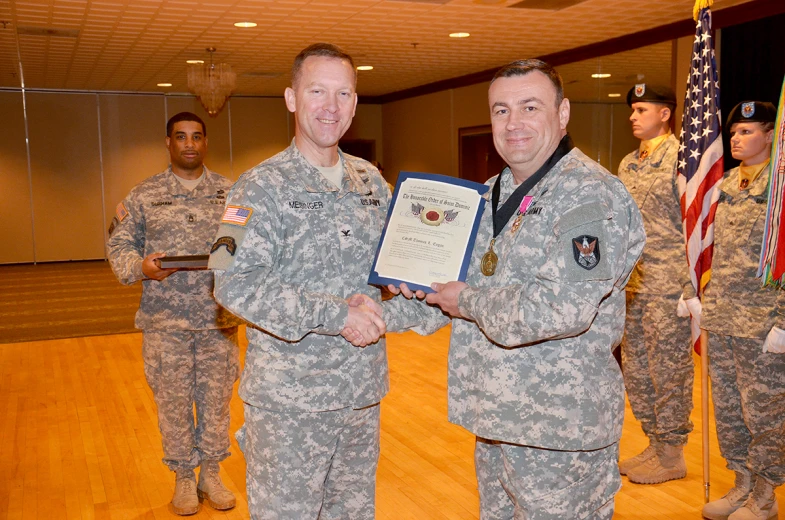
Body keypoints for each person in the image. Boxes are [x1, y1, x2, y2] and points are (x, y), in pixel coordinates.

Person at [385, 59, 646, 519]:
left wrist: (464, 300)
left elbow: (561, 308)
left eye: (530, 106)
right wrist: (378, 312)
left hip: (560, 431)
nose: (514, 123)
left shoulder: (590, 196)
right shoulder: (489, 193)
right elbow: (451, 284)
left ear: (562, 114)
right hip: (496, 417)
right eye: (501, 110)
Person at [208, 43, 393, 520]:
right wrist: (337, 314)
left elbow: (400, 268)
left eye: (344, 94)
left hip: (360, 393)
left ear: (355, 103)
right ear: (292, 98)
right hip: (290, 404)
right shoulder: (254, 187)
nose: (331, 107)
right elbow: (230, 282)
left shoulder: (372, 182)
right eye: (317, 91)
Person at [106, 112, 241, 515]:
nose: (189, 144)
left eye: (197, 136)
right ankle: (183, 476)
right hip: (166, 321)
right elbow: (119, 245)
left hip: (218, 319)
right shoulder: (144, 195)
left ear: (205, 142)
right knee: (173, 403)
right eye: (180, 137)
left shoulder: (230, 193)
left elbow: (246, 244)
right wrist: (140, 268)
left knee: (217, 401)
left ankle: (211, 474)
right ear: (168, 143)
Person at [701, 100, 784, 520]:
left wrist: (784, 321)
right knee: (731, 410)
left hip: (762, 323)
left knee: (765, 412)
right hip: (724, 319)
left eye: (748, 131)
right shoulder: (729, 184)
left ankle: (765, 497)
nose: (737, 138)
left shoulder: (781, 187)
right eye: (734, 132)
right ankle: (742, 486)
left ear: (771, 135)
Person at [616, 84, 696, 484]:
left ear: (665, 114)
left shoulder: (684, 159)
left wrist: (692, 286)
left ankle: (672, 452)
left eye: (642, 109)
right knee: (638, 369)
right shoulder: (629, 162)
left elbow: (695, 225)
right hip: (633, 283)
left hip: (668, 283)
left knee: (669, 370)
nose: (633, 115)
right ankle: (654, 441)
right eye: (632, 108)